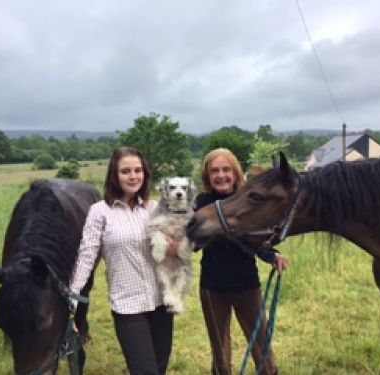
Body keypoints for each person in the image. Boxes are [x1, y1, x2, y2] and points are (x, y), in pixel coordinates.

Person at [70, 146, 176, 375]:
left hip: (161, 303)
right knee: (145, 371)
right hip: (128, 306)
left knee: (160, 368)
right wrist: (72, 301)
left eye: (138, 170)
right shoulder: (100, 212)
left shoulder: (155, 208)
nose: (133, 176)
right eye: (126, 171)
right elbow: (86, 258)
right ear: (114, 175)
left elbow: (175, 251)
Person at [195, 148, 289, 375]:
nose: (221, 175)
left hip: (246, 283)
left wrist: (272, 255)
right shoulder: (202, 202)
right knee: (220, 347)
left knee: (260, 342)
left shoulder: (248, 200)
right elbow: (194, 242)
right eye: (215, 170)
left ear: (235, 172)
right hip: (212, 286)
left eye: (226, 169)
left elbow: (255, 237)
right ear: (207, 175)